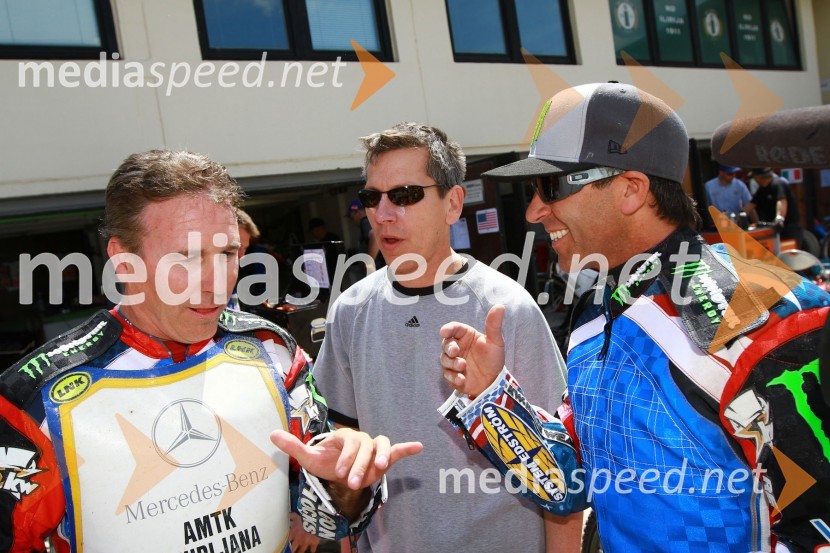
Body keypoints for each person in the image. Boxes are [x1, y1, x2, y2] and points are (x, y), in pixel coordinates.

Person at [438, 83, 830, 552]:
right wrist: (491, 397)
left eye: (550, 187)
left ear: (630, 189)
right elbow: (569, 485)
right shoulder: (595, 313)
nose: (534, 210)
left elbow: (818, 524)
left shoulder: (755, 306)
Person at [0, 149, 421, 553]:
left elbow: (327, 520)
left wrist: (348, 482)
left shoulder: (272, 352)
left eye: (227, 253)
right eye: (186, 257)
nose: (217, 282)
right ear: (124, 262)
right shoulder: (34, 401)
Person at [312, 123, 582, 553]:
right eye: (371, 198)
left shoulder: (506, 307)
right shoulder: (350, 310)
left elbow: (561, 470)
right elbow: (345, 458)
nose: (383, 214)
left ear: (453, 203)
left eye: (404, 195)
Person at [744, 167, 804, 248]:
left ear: (758, 177)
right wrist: (738, 216)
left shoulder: (778, 184)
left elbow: (781, 200)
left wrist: (780, 218)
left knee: (788, 257)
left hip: (788, 230)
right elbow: (751, 205)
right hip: (774, 231)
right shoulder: (762, 189)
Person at [345, 199, 383, 271]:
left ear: (355, 212)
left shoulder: (365, 221)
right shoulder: (372, 221)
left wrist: (369, 264)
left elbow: (375, 235)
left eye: (351, 217)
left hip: (377, 271)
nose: (352, 220)